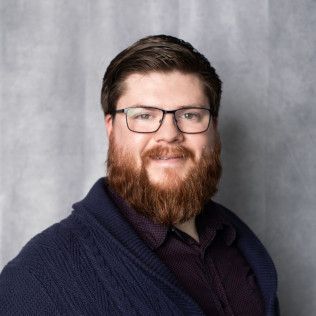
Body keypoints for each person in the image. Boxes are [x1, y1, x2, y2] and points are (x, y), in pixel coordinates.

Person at [0, 35, 279, 315]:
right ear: (110, 128)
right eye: (144, 116)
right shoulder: (37, 279)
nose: (169, 134)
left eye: (190, 115)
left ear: (213, 128)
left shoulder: (240, 244)